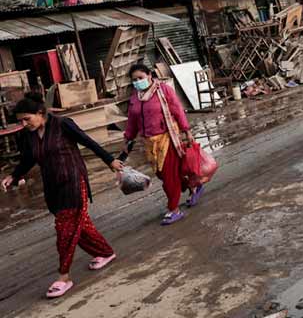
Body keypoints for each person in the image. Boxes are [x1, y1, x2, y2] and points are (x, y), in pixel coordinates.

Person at [1, 92, 122, 298]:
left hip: (73, 182)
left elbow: (88, 141)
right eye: (20, 120)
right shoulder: (29, 135)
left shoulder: (62, 124)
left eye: (27, 119)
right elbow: (29, 159)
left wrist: (110, 161)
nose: (24, 123)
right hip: (53, 187)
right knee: (79, 226)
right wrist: (14, 175)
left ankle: (64, 277)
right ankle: (105, 252)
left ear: (40, 113)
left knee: (65, 229)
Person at [121, 63, 199, 225]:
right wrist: (128, 138)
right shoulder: (136, 97)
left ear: (150, 75)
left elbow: (178, 110)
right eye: (134, 80)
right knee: (163, 175)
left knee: (169, 176)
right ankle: (194, 187)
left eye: (140, 78)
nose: (137, 82)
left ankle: (174, 209)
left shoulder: (164, 91)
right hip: (149, 143)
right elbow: (132, 121)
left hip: (167, 138)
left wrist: (186, 130)